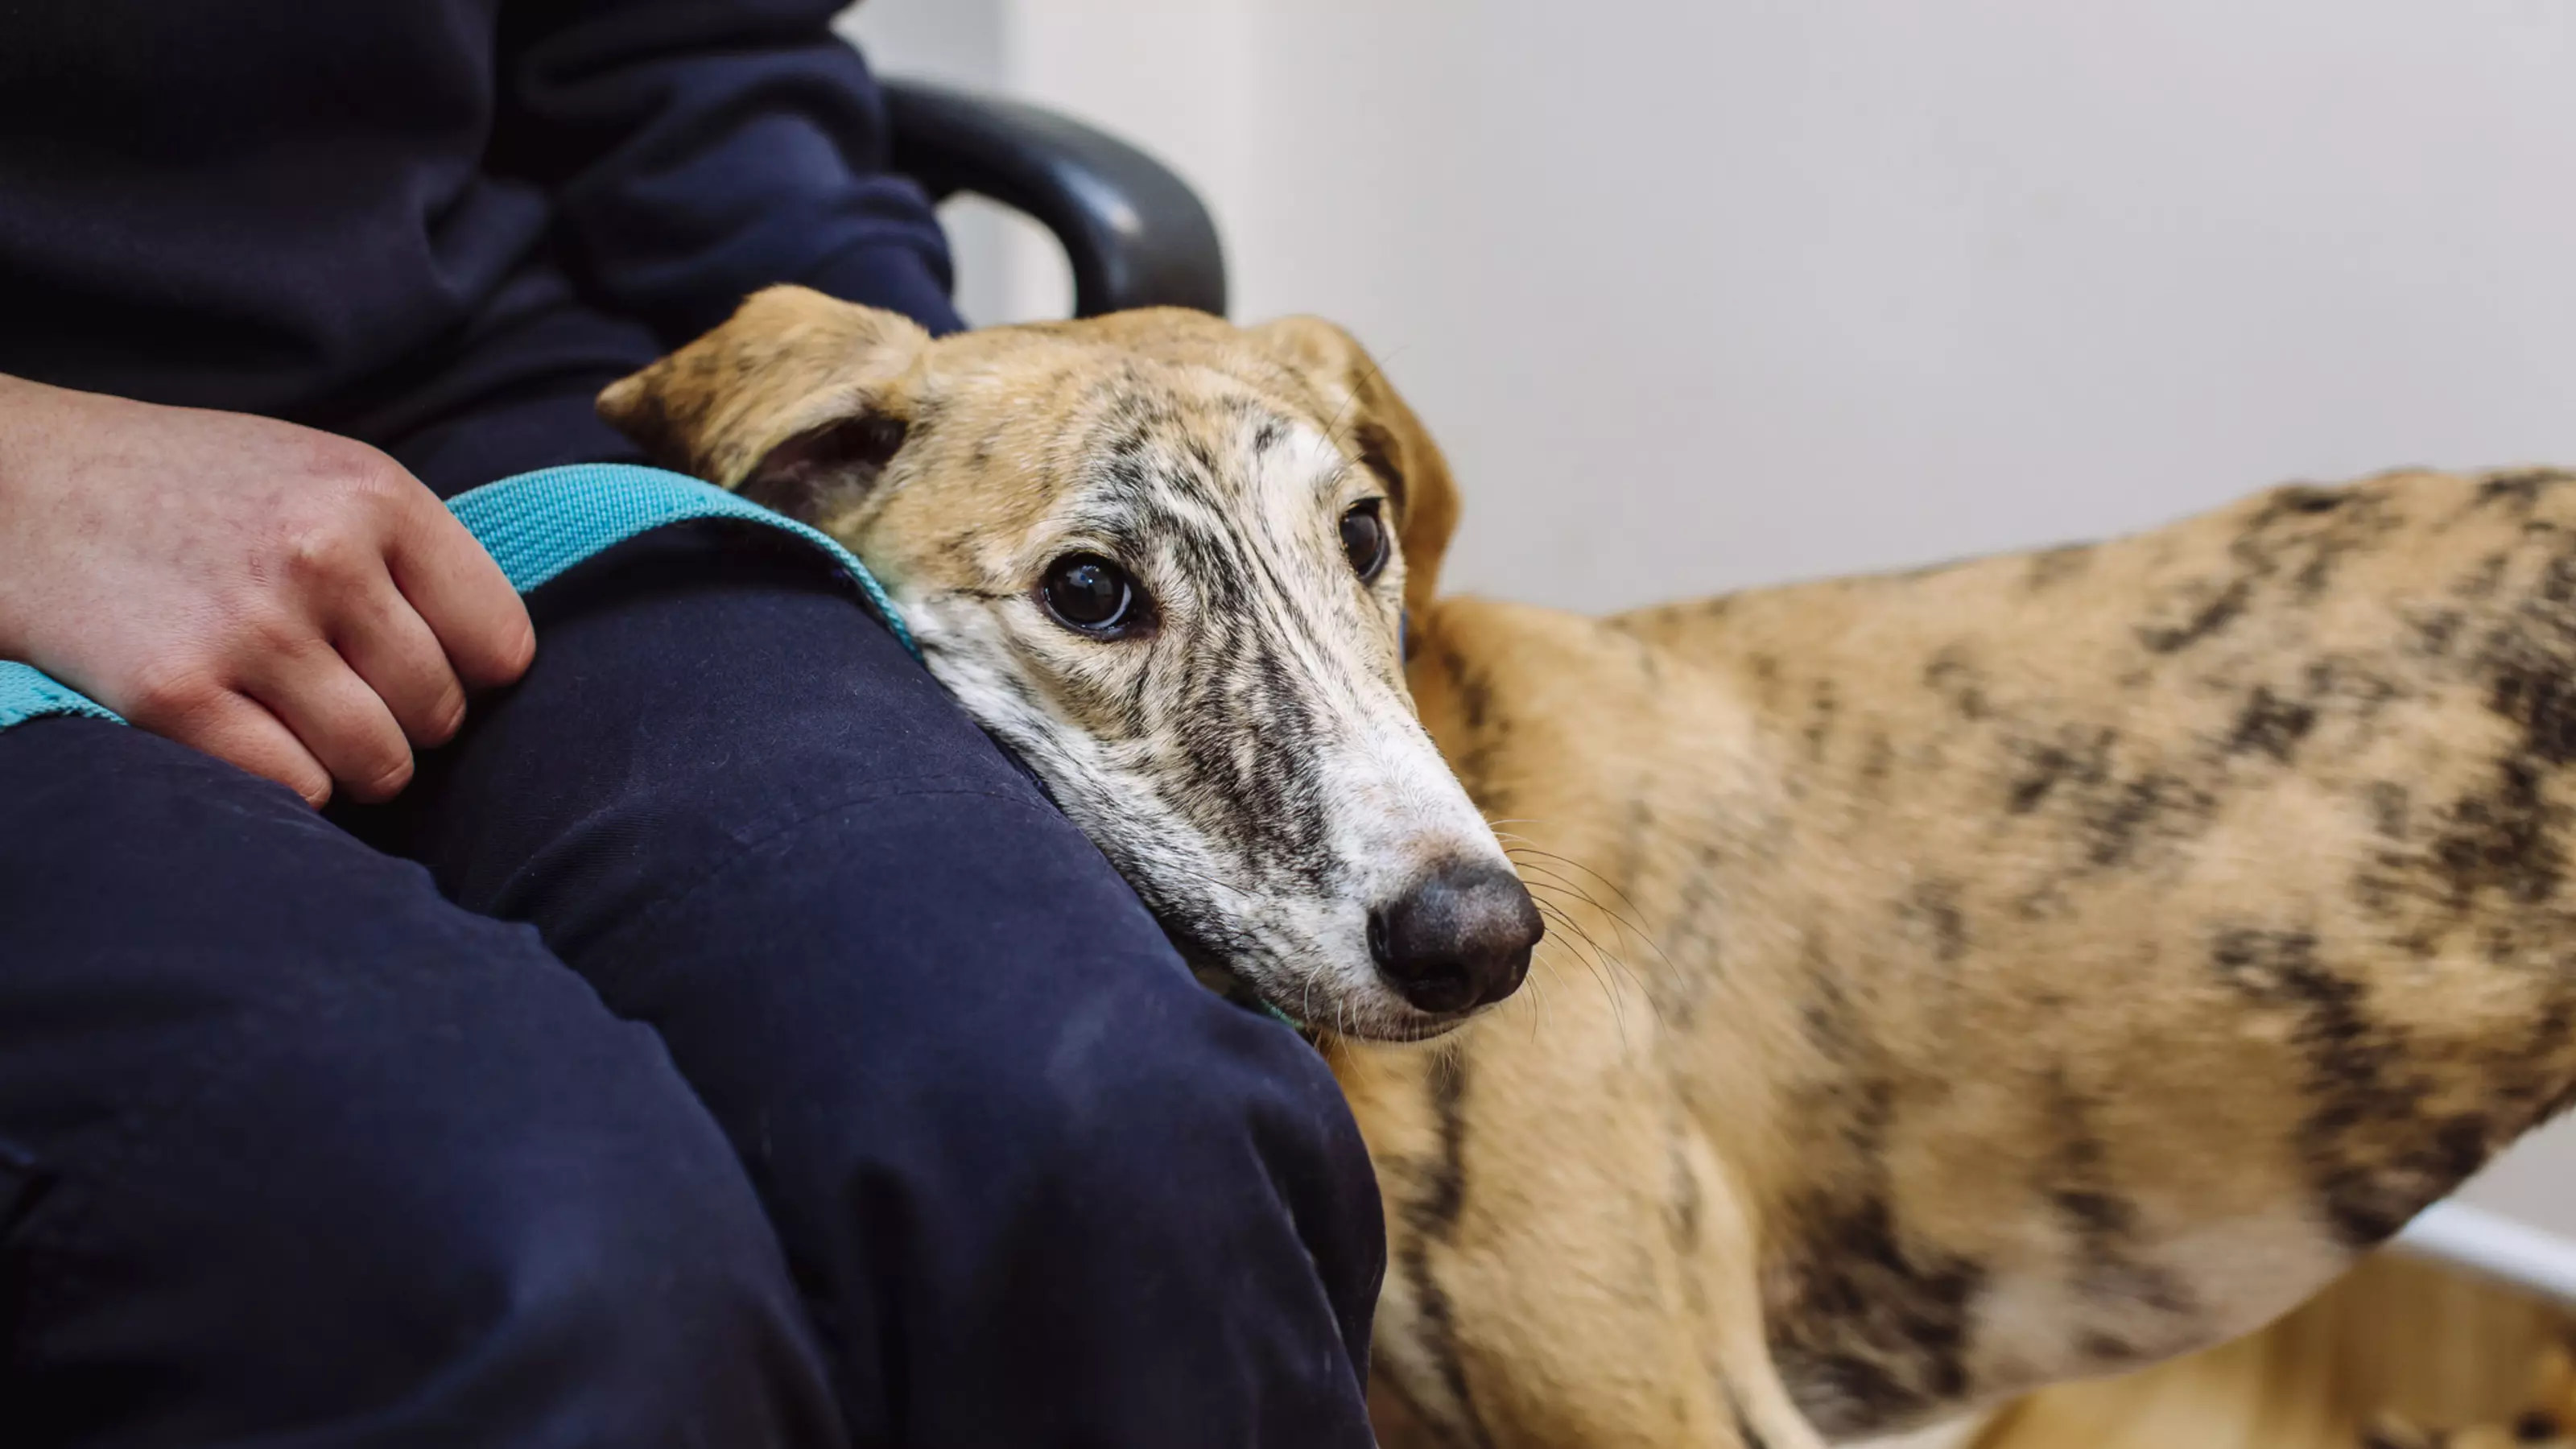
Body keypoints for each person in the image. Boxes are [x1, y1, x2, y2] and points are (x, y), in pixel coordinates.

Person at [0, 5, 1383, 1445]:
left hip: (469, 399)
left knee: (1099, 1121)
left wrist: (940, 406)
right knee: (529, 1262)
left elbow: (683, 45)